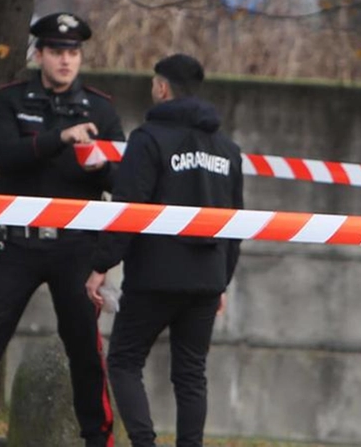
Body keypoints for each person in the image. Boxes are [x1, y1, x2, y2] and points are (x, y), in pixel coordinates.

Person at [0, 11, 125, 447]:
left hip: (75, 246)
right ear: (39, 54)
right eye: (57, 52)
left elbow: (121, 180)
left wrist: (101, 166)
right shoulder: (12, 99)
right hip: (15, 243)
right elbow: (5, 154)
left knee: (85, 349)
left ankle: (99, 438)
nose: (65, 60)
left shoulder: (100, 108)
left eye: (73, 52)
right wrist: (60, 139)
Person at [84, 54, 244, 447]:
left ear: (162, 88)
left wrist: (102, 264)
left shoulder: (148, 138)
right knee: (191, 373)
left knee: (123, 360)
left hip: (155, 275)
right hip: (206, 278)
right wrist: (221, 280)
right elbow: (236, 223)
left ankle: (144, 443)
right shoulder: (227, 149)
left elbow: (129, 207)